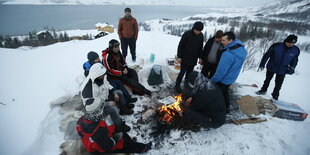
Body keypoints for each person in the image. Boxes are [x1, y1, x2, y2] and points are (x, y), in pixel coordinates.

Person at [76, 100, 152, 153]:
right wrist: (117, 137)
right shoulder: (99, 131)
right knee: (124, 144)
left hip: (99, 138)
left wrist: (117, 129)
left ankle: (128, 141)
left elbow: (102, 129)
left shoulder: (84, 119)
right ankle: (142, 148)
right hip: (100, 148)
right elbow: (108, 146)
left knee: (121, 131)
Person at [210, 32, 247, 113]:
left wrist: (212, 80)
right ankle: (227, 108)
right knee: (225, 92)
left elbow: (221, 72)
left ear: (230, 40)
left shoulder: (228, 54)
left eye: (223, 40)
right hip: (232, 77)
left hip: (224, 79)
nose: (221, 42)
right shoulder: (241, 49)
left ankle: (218, 110)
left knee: (218, 94)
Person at [256, 34, 300, 100]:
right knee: (267, 80)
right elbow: (267, 55)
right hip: (272, 66)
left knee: (278, 84)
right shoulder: (276, 46)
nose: (291, 44)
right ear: (286, 41)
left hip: (283, 69)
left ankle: (275, 95)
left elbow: (294, 60)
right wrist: (262, 64)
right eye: (289, 42)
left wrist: (292, 68)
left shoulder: (295, 50)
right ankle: (263, 90)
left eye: (293, 43)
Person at [175, 21, 204, 93]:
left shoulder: (201, 36)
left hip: (193, 58)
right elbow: (180, 45)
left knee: (189, 73)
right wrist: (179, 57)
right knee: (182, 72)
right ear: (194, 28)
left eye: (199, 31)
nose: (198, 32)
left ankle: (186, 84)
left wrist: (200, 57)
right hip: (185, 57)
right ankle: (177, 84)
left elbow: (200, 47)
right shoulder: (187, 34)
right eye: (196, 30)